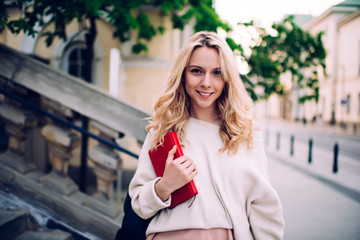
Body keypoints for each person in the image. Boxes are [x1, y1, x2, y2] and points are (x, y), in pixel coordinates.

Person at [129, 31, 284, 240]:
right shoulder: (163, 130)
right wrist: (165, 186)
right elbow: (139, 204)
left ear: (227, 78)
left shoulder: (245, 132)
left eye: (217, 73)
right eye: (196, 71)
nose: (206, 82)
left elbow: (262, 204)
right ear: (183, 74)